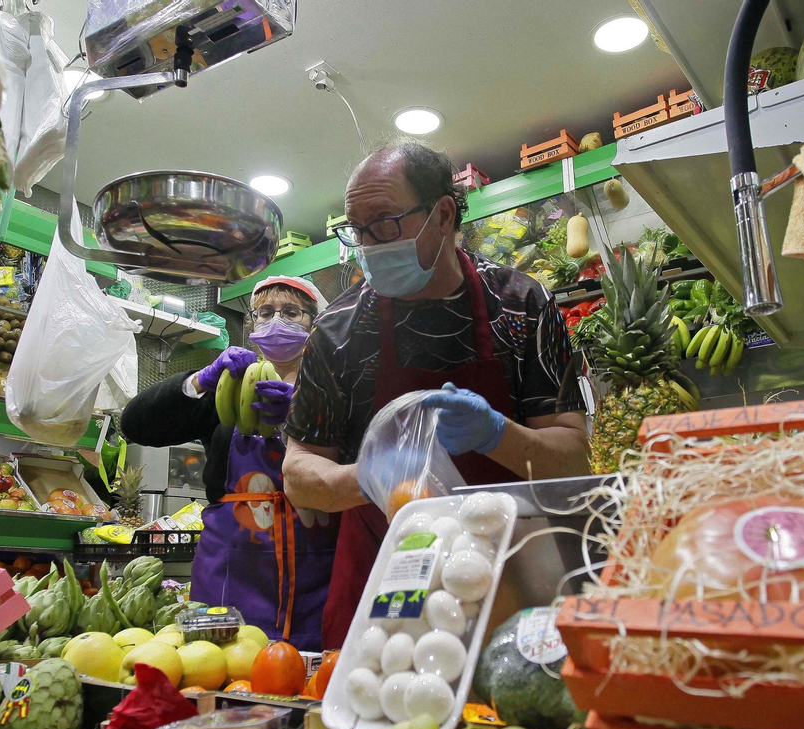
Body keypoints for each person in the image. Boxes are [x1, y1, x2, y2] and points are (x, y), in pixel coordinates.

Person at [281, 142, 590, 650]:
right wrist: (371, 478)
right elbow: (299, 475)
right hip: (388, 578)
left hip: (510, 575)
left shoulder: (521, 305)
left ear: (443, 214)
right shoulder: (337, 330)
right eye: (356, 229)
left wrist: (497, 434)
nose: (368, 244)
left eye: (383, 222)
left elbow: (573, 458)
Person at [121, 276, 338, 649]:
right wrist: (199, 382)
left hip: (313, 569)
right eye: (265, 313)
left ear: (313, 323)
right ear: (252, 325)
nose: (276, 321)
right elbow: (135, 425)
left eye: (291, 312)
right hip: (229, 567)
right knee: (216, 666)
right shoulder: (230, 387)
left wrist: (301, 416)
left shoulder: (335, 391)